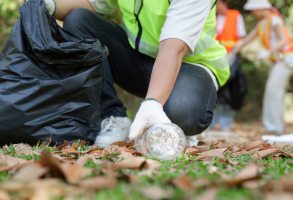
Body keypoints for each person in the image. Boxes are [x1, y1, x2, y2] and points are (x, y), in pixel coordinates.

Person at [41, 0, 230, 146]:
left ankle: (170, 120)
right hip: (139, 60)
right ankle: (114, 117)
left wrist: (151, 105)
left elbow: (174, 46)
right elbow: (96, 3)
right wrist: (46, 4)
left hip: (190, 66)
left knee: (183, 112)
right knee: (78, 19)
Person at [232, 0, 293, 133]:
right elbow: (248, 38)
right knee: (270, 91)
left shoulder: (275, 20)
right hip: (276, 60)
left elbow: (283, 40)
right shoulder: (262, 23)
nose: (252, 13)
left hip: (285, 59)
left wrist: (269, 51)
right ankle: (271, 127)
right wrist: (233, 52)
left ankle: (277, 128)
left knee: (274, 91)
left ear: (261, 8)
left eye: (253, 10)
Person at [210, 0, 247, 130]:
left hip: (231, 57)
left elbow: (241, 38)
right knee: (215, 87)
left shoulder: (235, 15)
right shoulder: (213, 17)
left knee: (228, 87)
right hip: (216, 58)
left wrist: (233, 53)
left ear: (224, 3)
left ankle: (225, 123)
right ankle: (212, 123)